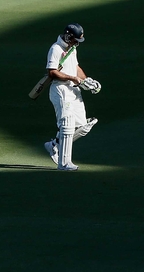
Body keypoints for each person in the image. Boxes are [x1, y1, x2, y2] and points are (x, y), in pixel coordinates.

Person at [43, 23, 101, 171]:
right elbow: (52, 72)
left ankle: (54, 145)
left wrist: (87, 80)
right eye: (75, 39)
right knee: (67, 125)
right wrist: (73, 79)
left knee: (83, 126)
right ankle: (64, 164)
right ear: (68, 36)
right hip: (60, 90)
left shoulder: (72, 49)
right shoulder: (55, 49)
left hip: (73, 90)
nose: (77, 43)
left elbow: (76, 67)